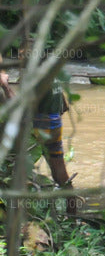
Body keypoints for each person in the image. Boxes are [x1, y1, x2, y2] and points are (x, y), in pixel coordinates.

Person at [0, 69, 76, 214]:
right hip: (54, 125)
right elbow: (64, 106)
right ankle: (74, 217)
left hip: (37, 127)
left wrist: (5, 86)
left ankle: (17, 216)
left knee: (15, 169)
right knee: (60, 174)